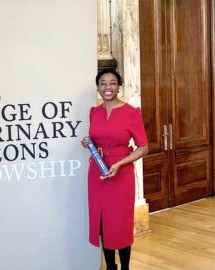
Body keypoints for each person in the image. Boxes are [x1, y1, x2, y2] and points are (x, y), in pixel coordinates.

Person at [81, 69, 148, 270]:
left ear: (119, 86)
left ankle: (125, 267)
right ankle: (111, 267)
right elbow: (98, 138)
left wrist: (120, 164)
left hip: (121, 173)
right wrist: (88, 144)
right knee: (101, 222)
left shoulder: (131, 113)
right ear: (98, 87)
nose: (107, 87)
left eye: (112, 83)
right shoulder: (94, 112)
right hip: (97, 172)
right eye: (103, 83)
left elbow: (143, 147)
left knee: (119, 223)